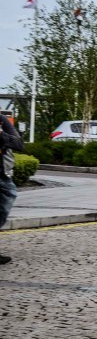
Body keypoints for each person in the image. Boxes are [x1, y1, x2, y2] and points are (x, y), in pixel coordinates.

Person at [0, 112, 24, 263]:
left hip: (2, 175)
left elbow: (19, 144)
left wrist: (2, 136)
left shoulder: (2, 120)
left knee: (8, 198)